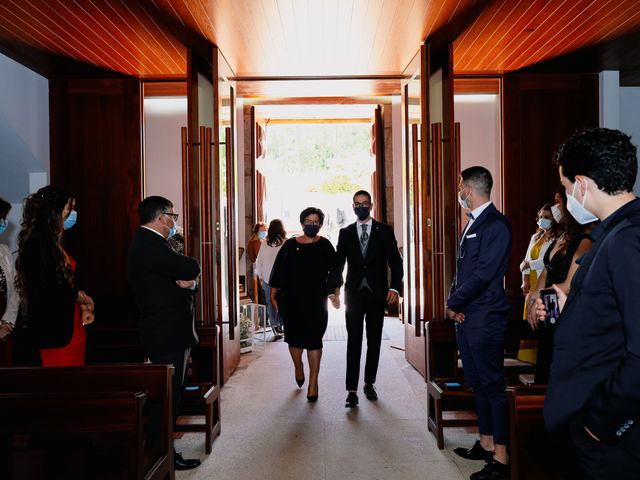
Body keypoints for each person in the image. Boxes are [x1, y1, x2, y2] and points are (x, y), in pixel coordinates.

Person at [534, 128, 640, 479]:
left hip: (608, 428)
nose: (566, 197)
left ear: (582, 184)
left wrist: (601, 422)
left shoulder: (627, 240)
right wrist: (570, 305)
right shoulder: (611, 232)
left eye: (566, 187)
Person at [127, 196, 201, 471]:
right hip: (165, 332)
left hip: (170, 330)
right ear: (161, 218)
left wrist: (191, 283)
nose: (174, 221)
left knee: (172, 395)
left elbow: (186, 277)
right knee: (167, 397)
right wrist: (193, 276)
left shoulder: (153, 244)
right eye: (173, 216)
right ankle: (162, 452)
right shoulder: (150, 245)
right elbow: (190, 266)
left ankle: (164, 449)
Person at [446, 166, 511, 480]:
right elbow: (462, 271)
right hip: (467, 316)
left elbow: (485, 274)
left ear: (469, 190)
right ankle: (485, 442)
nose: (459, 193)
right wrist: (455, 301)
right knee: (477, 384)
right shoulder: (473, 222)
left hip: (486, 317)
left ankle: (501, 456)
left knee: (493, 387)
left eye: (460, 186)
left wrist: (454, 302)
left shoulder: (495, 225)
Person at [334, 190, 403, 408]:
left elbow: (396, 262)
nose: (361, 207)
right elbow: (338, 264)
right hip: (353, 294)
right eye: (357, 204)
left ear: (371, 206)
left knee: (374, 340)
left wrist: (395, 288)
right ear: (353, 207)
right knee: (353, 341)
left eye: (365, 203)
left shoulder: (385, 231)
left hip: (377, 294)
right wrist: (333, 289)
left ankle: (369, 383)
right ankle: (351, 390)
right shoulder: (345, 233)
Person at [15, 186, 94, 366]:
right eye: (69, 207)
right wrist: (80, 298)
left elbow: (68, 282)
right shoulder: (37, 242)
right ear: (55, 210)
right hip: (54, 328)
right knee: (60, 384)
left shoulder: (58, 240)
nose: (73, 213)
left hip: (71, 323)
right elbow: (49, 287)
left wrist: (83, 306)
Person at [269, 207, 342, 402]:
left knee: (314, 340)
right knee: (294, 341)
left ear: (320, 224)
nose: (312, 225)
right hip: (291, 301)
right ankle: (299, 367)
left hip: (316, 302)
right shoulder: (290, 245)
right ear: (302, 223)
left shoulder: (325, 245)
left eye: (316, 222)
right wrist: (273, 294)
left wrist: (334, 292)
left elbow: (335, 269)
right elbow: (279, 271)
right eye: (308, 221)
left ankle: (313, 383)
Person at [525, 189, 593, 384]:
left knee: (556, 369)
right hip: (549, 307)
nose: (556, 208)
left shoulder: (585, 239)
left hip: (563, 309)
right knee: (544, 364)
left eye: (558, 202)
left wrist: (539, 297)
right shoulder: (562, 236)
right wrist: (532, 296)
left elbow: (571, 284)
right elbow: (546, 271)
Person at [517, 203, 557, 363]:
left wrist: (529, 265)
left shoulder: (557, 238)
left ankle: (540, 357)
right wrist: (524, 279)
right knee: (529, 316)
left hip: (544, 278)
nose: (542, 220)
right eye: (540, 217)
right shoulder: (536, 237)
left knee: (540, 316)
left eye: (547, 217)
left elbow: (547, 261)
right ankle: (528, 356)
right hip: (532, 279)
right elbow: (526, 259)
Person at [255, 219, 286, 338]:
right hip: (283, 280)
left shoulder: (264, 243)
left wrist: (261, 276)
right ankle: (281, 324)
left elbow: (259, 262)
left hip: (268, 278)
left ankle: (274, 325)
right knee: (282, 301)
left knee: (270, 302)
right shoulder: (286, 242)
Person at [0, 198, 19, 345]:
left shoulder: (4, 250)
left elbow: (16, 287)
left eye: (3, 219)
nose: (3, 223)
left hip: (4, 328)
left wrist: (7, 321)